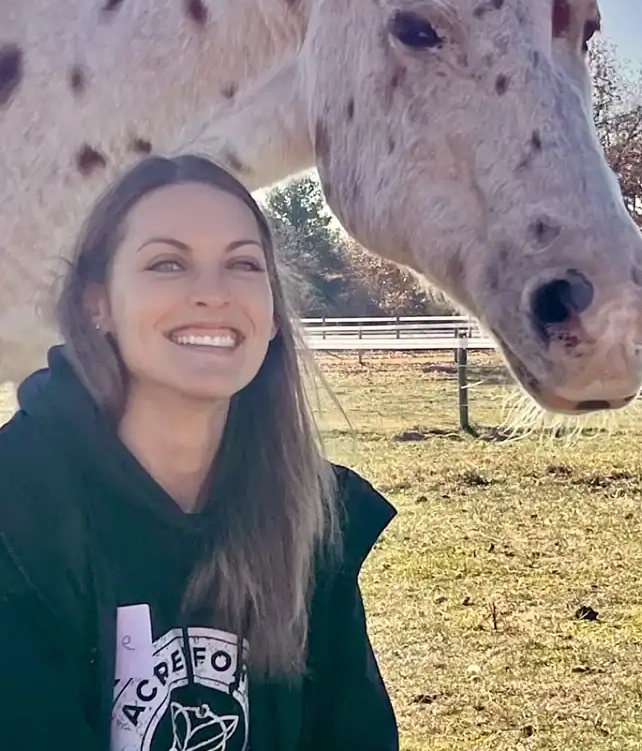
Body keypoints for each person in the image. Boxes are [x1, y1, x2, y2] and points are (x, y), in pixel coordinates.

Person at [0, 154, 399, 751]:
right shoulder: (18, 510)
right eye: (167, 263)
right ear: (96, 305)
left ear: (270, 318)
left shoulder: (311, 516)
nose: (211, 294)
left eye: (242, 264)